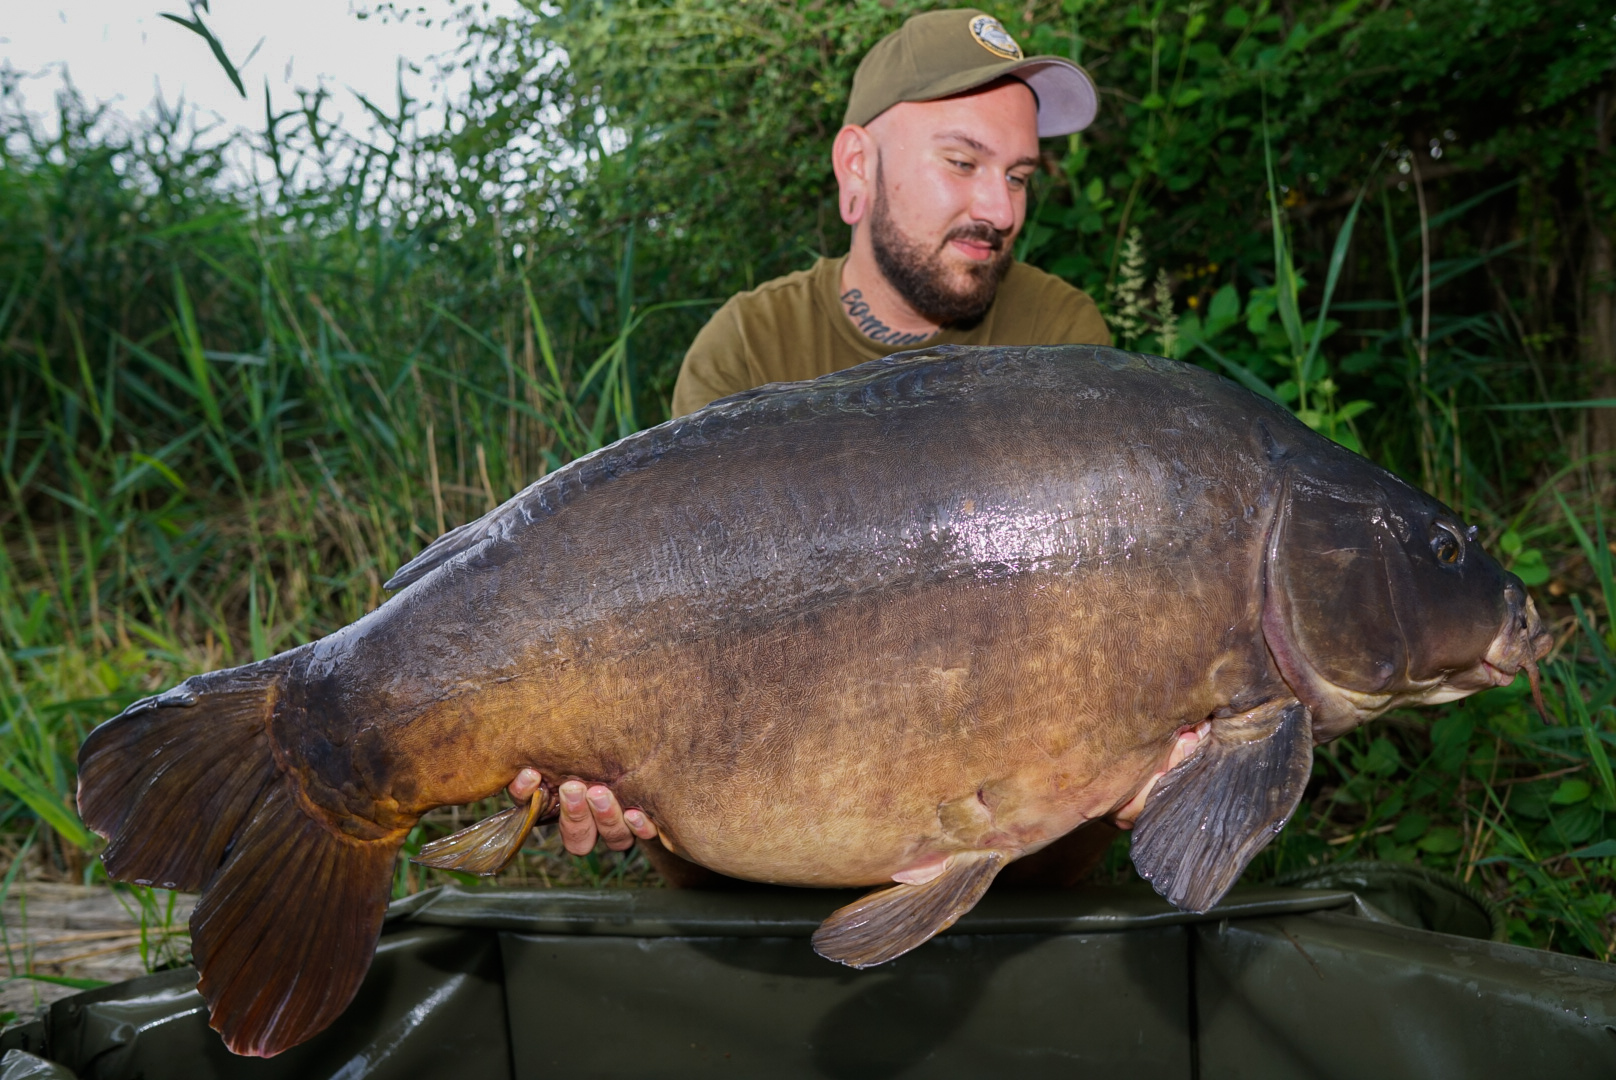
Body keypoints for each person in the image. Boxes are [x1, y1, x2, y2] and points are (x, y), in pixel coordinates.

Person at [509, 9, 1118, 880]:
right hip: (765, 861)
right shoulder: (748, 350)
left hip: (1006, 873)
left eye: (1019, 175)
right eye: (962, 163)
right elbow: (683, 633)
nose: (1000, 209)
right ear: (856, 168)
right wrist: (605, 757)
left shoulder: (1060, 340)